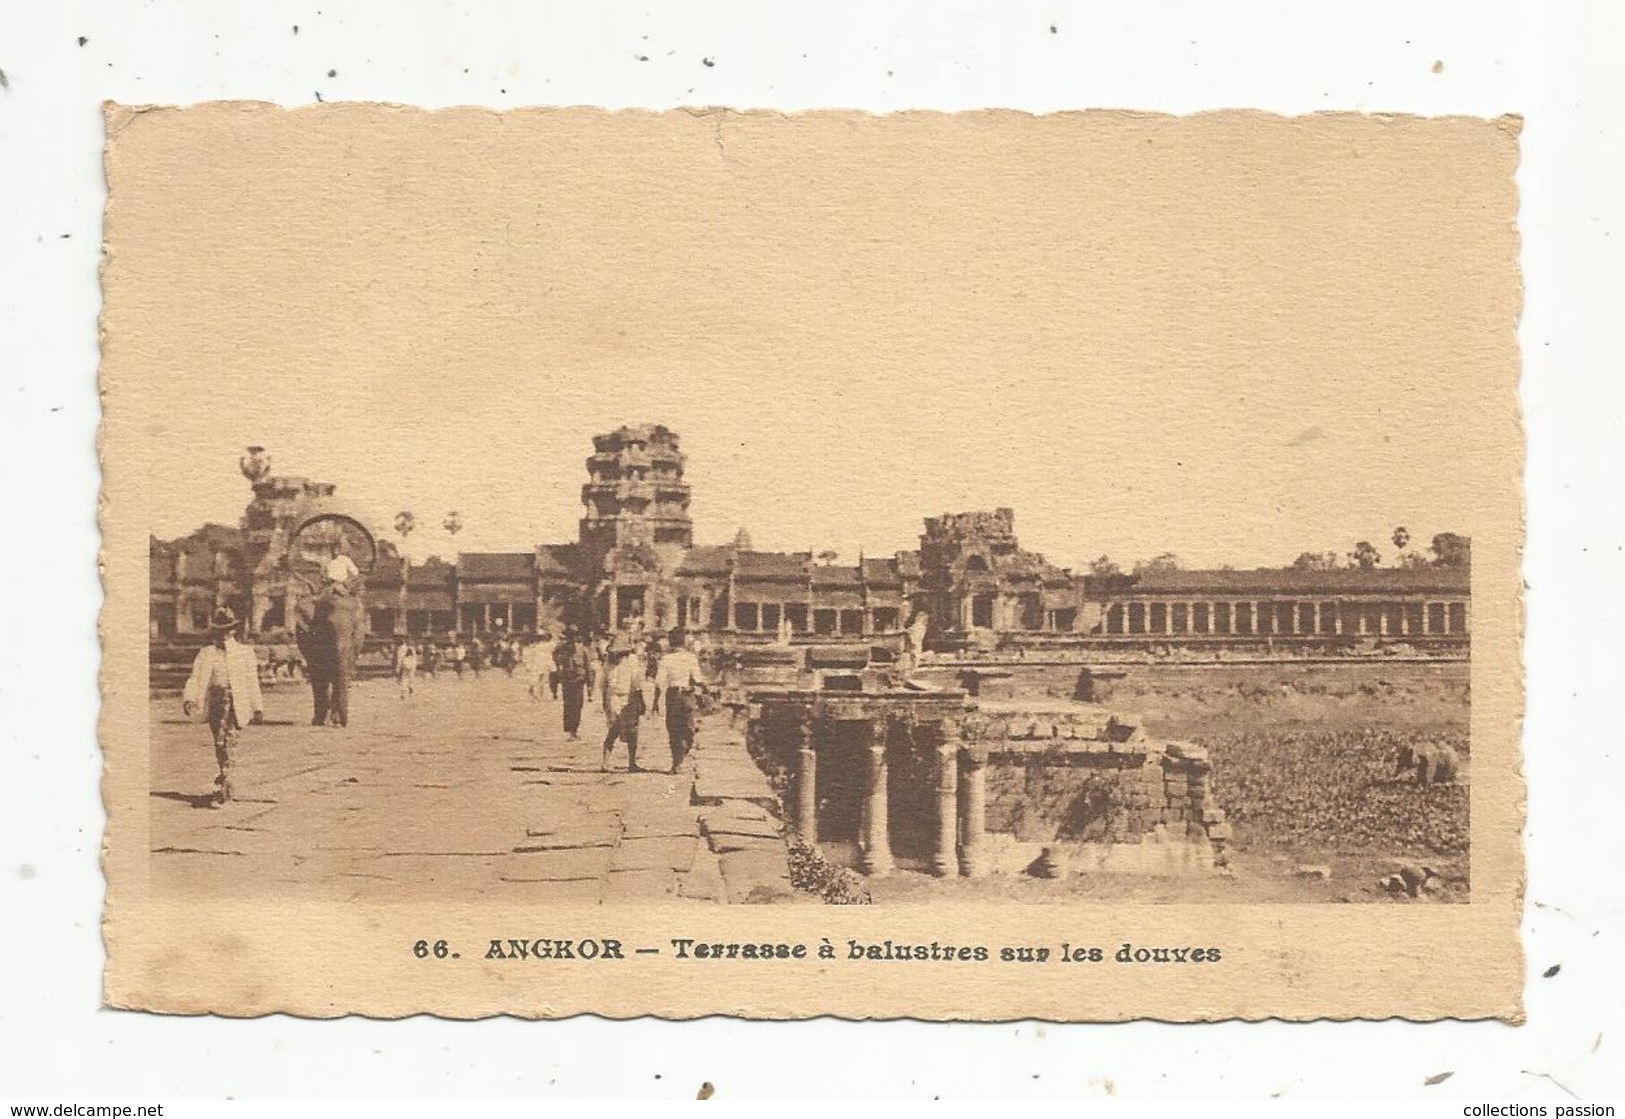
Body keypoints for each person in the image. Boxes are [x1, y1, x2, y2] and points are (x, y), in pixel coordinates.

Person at [181, 606, 265, 806]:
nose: (223, 634)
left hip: (237, 703)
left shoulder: (245, 653)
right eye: (219, 630)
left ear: (234, 630)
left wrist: (258, 706)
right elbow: (195, 678)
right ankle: (225, 778)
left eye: (227, 630)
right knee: (220, 742)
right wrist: (189, 699)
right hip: (216, 702)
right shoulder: (206, 653)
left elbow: (252, 681)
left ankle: (224, 782)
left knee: (229, 740)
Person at [297, 581, 367, 727]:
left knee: (340, 679)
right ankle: (321, 712)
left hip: (347, 647)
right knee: (320, 679)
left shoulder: (353, 609)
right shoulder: (316, 612)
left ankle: (336, 712)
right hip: (320, 644)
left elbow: (357, 637)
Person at [653, 628, 706, 775]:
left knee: (674, 730)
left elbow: (658, 683)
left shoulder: (665, 659)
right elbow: (698, 679)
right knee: (688, 729)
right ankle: (680, 758)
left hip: (672, 696)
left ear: (670, 643)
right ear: (684, 641)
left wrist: (655, 702)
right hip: (687, 695)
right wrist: (703, 693)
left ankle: (677, 762)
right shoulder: (691, 658)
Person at [599, 636, 646, 771]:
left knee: (632, 731)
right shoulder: (608, 664)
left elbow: (636, 684)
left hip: (629, 697)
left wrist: (640, 701)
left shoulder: (632, 661)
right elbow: (603, 685)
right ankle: (605, 762)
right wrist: (606, 705)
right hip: (613, 697)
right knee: (614, 728)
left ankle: (632, 762)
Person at [553, 627, 595, 740]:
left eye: (573, 636)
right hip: (567, 680)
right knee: (568, 706)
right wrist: (559, 668)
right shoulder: (561, 648)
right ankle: (570, 732)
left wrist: (590, 686)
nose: (570, 639)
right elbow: (554, 657)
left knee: (577, 706)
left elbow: (588, 667)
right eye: (569, 636)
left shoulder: (583, 650)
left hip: (578, 680)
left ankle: (574, 730)